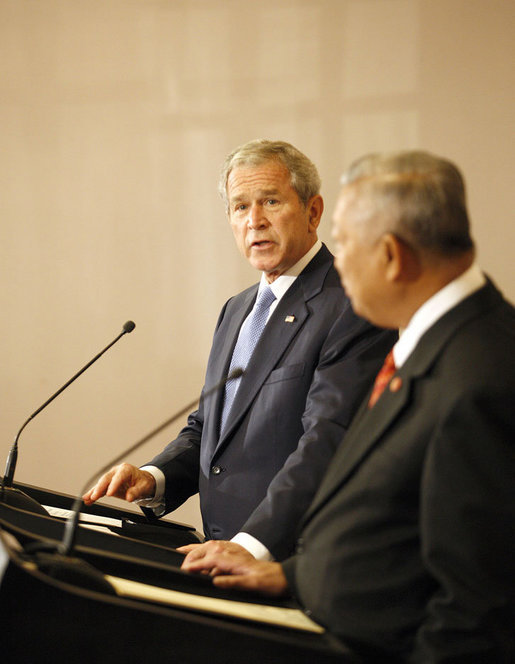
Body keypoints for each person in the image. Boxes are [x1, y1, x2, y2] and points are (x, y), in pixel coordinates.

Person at [181, 150, 515, 662]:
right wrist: (289, 573)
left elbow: (478, 603)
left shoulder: (482, 376)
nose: (338, 262)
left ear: (392, 256)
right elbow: (398, 524)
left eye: (348, 242)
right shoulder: (438, 342)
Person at [83, 139, 395, 561]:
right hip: (221, 554)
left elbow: (328, 442)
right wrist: (155, 477)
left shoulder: (352, 304)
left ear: (313, 211)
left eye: (270, 201)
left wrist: (250, 546)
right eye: (240, 206)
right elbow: (211, 425)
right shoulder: (238, 309)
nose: (255, 221)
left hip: (293, 560)